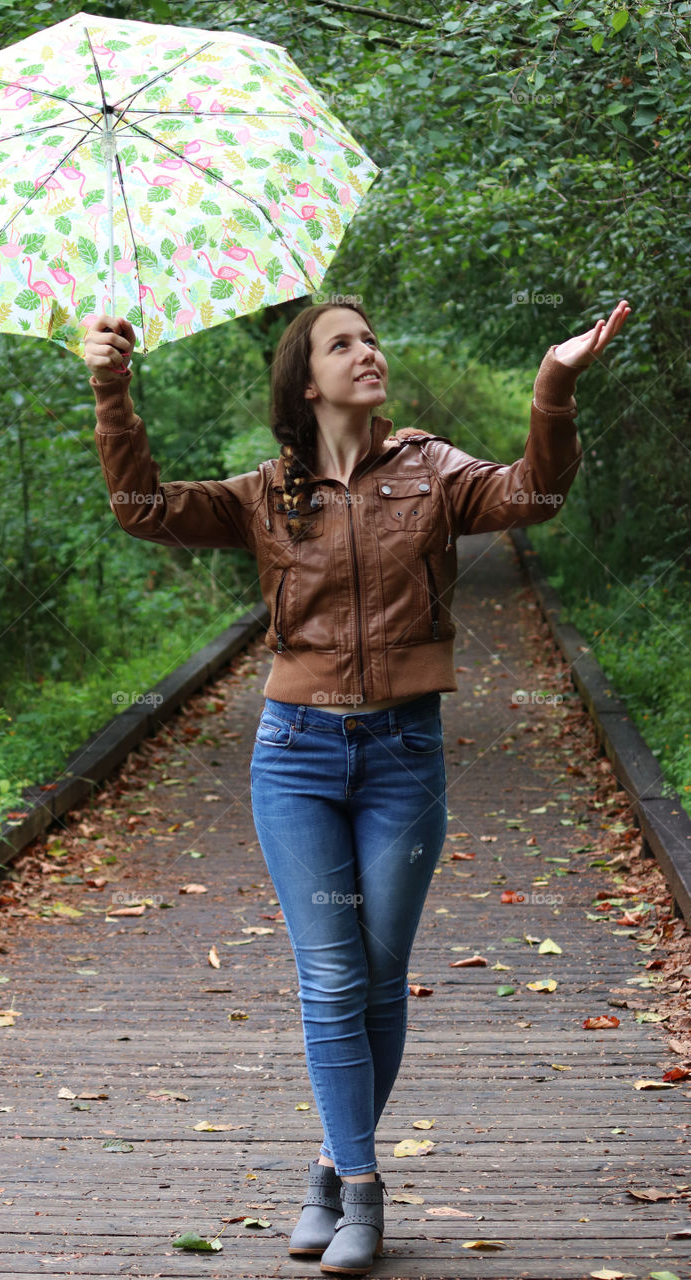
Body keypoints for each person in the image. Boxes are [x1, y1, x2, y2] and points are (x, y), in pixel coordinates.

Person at [84, 296, 630, 1276]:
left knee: (378, 977)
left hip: (402, 759)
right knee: (332, 977)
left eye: (373, 337)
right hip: (293, 756)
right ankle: (367, 1187)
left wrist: (553, 382)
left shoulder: (430, 470)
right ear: (306, 378)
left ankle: (327, 1171)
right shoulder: (266, 494)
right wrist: (111, 387)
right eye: (343, 342)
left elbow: (533, 496)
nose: (367, 350)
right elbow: (142, 510)